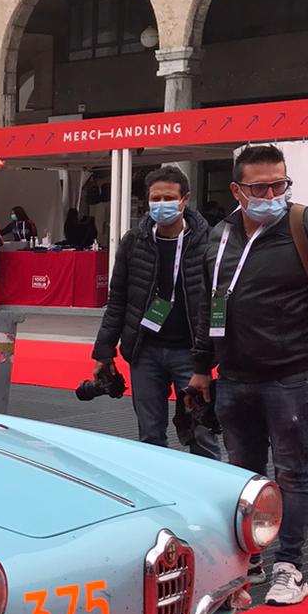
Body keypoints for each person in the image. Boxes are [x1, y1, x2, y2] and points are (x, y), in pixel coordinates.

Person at [190, 143, 308, 607]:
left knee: (292, 470)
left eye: (279, 184)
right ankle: (246, 563)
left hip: (291, 374)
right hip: (233, 376)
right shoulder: (219, 236)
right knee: (243, 477)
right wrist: (200, 368)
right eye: (260, 187)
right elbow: (211, 304)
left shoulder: (304, 225)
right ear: (236, 190)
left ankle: (291, 566)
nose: (271, 193)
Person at [91, 166, 217, 459]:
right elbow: (118, 299)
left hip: (190, 352)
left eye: (169, 197)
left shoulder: (208, 242)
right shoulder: (134, 241)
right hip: (145, 351)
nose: (162, 204)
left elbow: (216, 302)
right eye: (155, 198)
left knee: (202, 435)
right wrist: (104, 349)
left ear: (184, 199)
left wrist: (209, 358)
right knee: (149, 436)